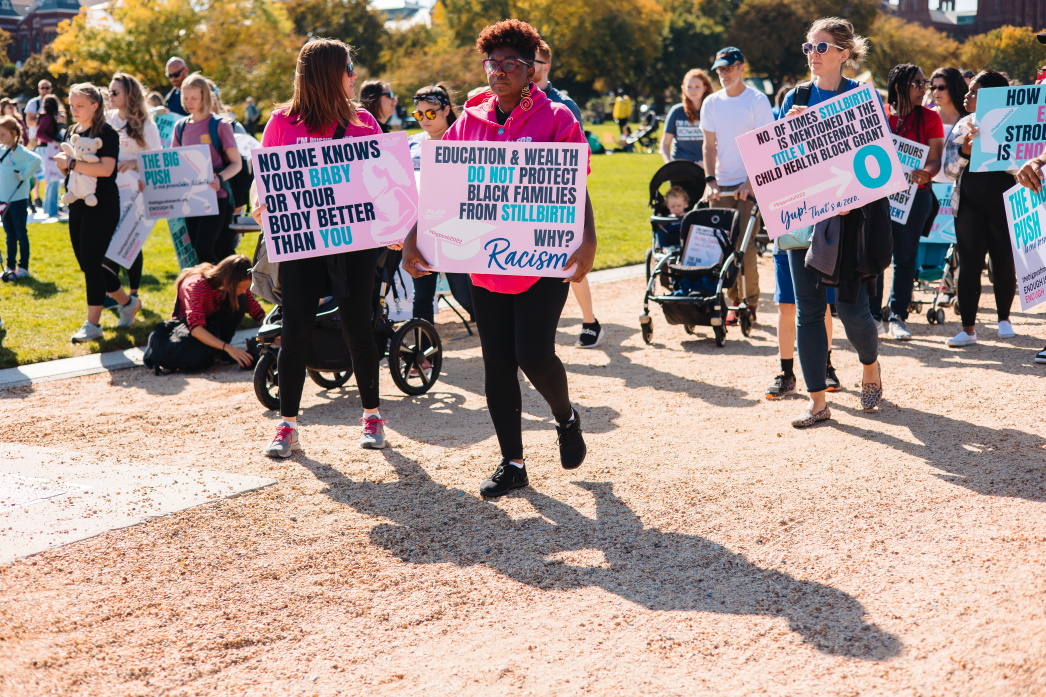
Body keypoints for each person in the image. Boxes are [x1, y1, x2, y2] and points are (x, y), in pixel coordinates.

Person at [401, 19, 596, 497]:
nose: (500, 70)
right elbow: (441, 189)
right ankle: (513, 463)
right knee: (497, 365)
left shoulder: (557, 118)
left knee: (534, 355)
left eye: (511, 62)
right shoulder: (469, 120)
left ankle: (566, 418)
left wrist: (588, 239)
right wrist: (413, 236)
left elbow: (574, 185)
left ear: (530, 69)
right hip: (485, 263)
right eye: (493, 61)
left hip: (542, 260)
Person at [251, 38, 390, 457]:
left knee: (358, 329)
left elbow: (384, 181)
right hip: (302, 242)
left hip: (355, 244)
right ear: (329, 74)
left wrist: (394, 221)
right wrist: (263, 208)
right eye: (348, 68)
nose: (354, 75)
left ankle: (372, 415)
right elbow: (265, 183)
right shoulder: (281, 123)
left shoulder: (364, 122)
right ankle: (287, 425)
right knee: (295, 332)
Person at [776, 17, 883, 427]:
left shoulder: (860, 97)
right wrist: (787, 130)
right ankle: (817, 401)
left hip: (849, 220)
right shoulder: (795, 97)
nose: (813, 55)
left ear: (844, 53)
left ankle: (870, 364)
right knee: (808, 311)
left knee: (853, 311)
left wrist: (849, 198)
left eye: (821, 47)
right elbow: (780, 164)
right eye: (809, 47)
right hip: (804, 220)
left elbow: (877, 162)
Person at [54, 83, 141, 343]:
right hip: (77, 202)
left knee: (92, 262)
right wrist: (64, 166)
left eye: (80, 105)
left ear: (95, 105)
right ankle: (127, 303)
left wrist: (71, 163)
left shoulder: (107, 133)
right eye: (71, 105)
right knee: (87, 263)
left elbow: (105, 169)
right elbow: (71, 170)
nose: (74, 109)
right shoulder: (72, 131)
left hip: (102, 204)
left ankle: (92, 324)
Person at [868, 64, 944, 341]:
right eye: (918, 84)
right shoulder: (880, 115)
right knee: (876, 257)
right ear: (899, 87)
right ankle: (873, 316)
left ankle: (897, 315)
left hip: (916, 195)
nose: (924, 89)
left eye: (925, 83)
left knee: (905, 257)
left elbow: (935, 160)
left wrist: (928, 173)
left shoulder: (929, 117)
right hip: (880, 197)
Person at [942, 70, 1017, 348]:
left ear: (992, 97)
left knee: (1004, 263)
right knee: (969, 265)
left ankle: (1004, 319)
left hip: (1003, 206)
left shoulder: (1014, 123)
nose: (967, 95)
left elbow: (1023, 167)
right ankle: (968, 329)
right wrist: (965, 152)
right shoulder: (963, 125)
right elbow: (948, 171)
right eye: (969, 90)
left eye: (974, 91)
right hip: (968, 207)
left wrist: (993, 145)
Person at [534, 40, 602, 348]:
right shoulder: (515, 100)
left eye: (533, 62)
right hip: (526, 195)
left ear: (546, 66)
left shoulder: (564, 105)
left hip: (559, 194)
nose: (527, 68)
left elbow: (577, 159)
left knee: (569, 259)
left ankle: (589, 321)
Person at [701, 46, 773, 324]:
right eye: (720, 69)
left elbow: (766, 144)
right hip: (722, 185)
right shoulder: (711, 103)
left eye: (729, 68)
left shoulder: (756, 100)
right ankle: (734, 301)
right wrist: (710, 181)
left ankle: (750, 303)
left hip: (750, 185)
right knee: (724, 247)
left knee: (747, 247)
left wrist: (750, 181)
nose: (724, 74)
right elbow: (709, 146)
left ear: (742, 67)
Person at [406, 83, 475, 328]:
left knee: (465, 294)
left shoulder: (462, 138)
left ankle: (497, 337)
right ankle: (423, 346)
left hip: (455, 227)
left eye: (430, 113)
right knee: (422, 295)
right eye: (418, 114)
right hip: (419, 229)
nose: (424, 119)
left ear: (446, 110)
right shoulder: (411, 143)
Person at [170, 73, 242, 264]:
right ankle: (227, 282)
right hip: (190, 199)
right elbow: (173, 164)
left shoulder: (220, 125)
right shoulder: (180, 127)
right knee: (205, 250)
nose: (189, 102)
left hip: (217, 198)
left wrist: (220, 178)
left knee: (207, 248)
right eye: (185, 97)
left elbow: (236, 163)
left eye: (194, 97)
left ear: (205, 97)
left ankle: (232, 281)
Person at [107, 73, 162, 301]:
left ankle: (133, 293)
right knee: (109, 240)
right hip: (109, 189)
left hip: (136, 191)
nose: (110, 96)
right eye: (109, 91)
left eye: (115, 92)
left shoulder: (146, 124)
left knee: (131, 240)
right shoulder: (108, 119)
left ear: (129, 95)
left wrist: (134, 162)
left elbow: (157, 158)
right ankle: (112, 292)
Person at [170, 254, 262, 368]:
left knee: (241, 299)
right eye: (240, 287)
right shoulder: (196, 285)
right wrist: (228, 348)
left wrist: (273, 332)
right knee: (199, 361)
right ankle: (218, 350)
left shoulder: (235, 284)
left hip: (211, 323)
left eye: (246, 287)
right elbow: (196, 329)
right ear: (227, 280)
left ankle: (220, 352)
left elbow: (256, 311)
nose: (244, 291)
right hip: (189, 330)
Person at [0, 117, 41, 282]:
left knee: (21, 234)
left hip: (18, 199)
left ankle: (23, 267)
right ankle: (10, 267)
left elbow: (36, 160)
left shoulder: (21, 151)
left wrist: (23, 175)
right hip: (3, 199)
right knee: (9, 234)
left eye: (3, 134)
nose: (0, 137)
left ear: (13, 133)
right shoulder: (1, 150)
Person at [660, 68, 713, 168]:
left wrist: (708, 163)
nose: (693, 90)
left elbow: (718, 144)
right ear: (684, 88)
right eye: (689, 87)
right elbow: (665, 143)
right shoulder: (676, 111)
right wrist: (669, 163)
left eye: (697, 87)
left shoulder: (712, 111)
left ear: (705, 88)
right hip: (680, 168)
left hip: (704, 167)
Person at [928, 67, 969, 182]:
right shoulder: (927, 117)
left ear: (954, 88)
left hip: (957, 184)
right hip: (929, 182)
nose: (936, 92)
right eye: (933, 87)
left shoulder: (968, 119)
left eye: (941, 87)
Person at [34, 95, 62, 219]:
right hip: (47, 149)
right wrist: (53, 141)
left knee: (52, 179)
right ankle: (51, 210)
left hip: (48, 149)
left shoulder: (49, 117)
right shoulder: (46, 117)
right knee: (53, 179)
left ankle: (49, 207)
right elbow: (39, 133)